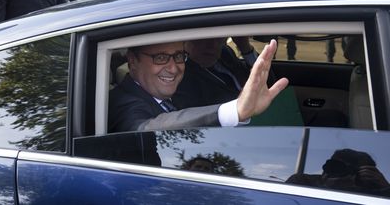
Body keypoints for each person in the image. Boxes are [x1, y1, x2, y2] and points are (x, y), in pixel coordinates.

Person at [108, 39, 288, 132]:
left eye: (179, 56)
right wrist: (235, 110)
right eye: (160, 58)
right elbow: (147, 128)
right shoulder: (122, 103)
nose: (173, 68)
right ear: (132, 61)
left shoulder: (167, 95)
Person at [173, 37, 264, 108]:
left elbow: (267, 82)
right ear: (185, 41)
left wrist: (245, 47)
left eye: (217, 38)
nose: (211, 45)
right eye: (202, 39)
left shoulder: (225, 53)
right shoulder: (180, 78)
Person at [286, 149, 390, 197]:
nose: (337, 172)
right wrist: (326, 187)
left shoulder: (371, 192)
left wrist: (386, 187)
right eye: (334, 166)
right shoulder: (302, 182)